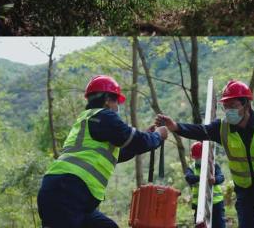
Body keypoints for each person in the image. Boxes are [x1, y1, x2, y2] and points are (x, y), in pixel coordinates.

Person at [156, 80, 254, 228]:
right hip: (246, 192)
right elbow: (199, 130)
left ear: (246, 104)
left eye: (233, 106)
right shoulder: (222, 128)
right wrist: (175, 126)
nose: (228, 111)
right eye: (225, 107)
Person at [37, 75, 169, 228]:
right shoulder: (103, 115)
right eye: (116, 102)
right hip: (67, 192)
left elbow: (122, 151)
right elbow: (134, 140)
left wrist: (148, 136)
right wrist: (158, 136)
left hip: (70, 195)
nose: (116, 108)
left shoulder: (89, 119)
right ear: (107, 100)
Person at [186, 141, 225, 228]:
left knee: (219, 225)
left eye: (199, 157)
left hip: (216, 203)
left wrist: (214, 180)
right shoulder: (192, 167)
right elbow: (189, 178)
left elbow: (221, 177)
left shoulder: (214, 165)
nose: (198, 160)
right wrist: (202, 178)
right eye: (196, 158)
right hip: (199, 205)